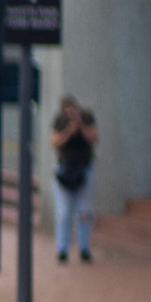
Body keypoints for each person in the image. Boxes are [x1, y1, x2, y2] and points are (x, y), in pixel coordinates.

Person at [49, 94, 98, 263]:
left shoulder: (86, 117)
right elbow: (55, 141)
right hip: (65, 169)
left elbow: (94, 137)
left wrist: (81, 125)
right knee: (64, 213)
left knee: (85, 211)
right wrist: (70, 129)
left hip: (84, 169)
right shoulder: (60, 121)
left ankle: (84, 248)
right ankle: (62, 249)